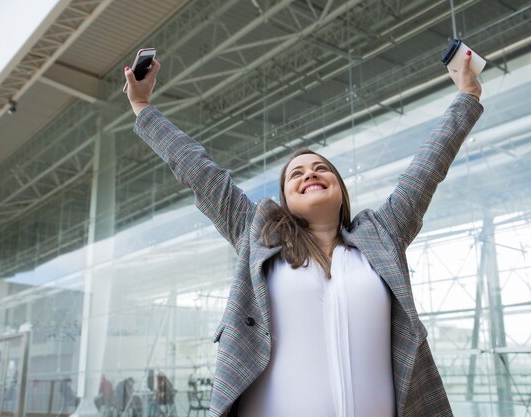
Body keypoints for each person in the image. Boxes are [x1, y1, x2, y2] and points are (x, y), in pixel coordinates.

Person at [124, 47, 483, 417]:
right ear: (284, 200)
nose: (309, 173)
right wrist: (142, 107)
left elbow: (426, 168)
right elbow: (200, 172)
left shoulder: (382, 234)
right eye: (296, 173)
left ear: (341, 190)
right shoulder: (259, 234)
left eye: (320, 168)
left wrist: (467, 97)